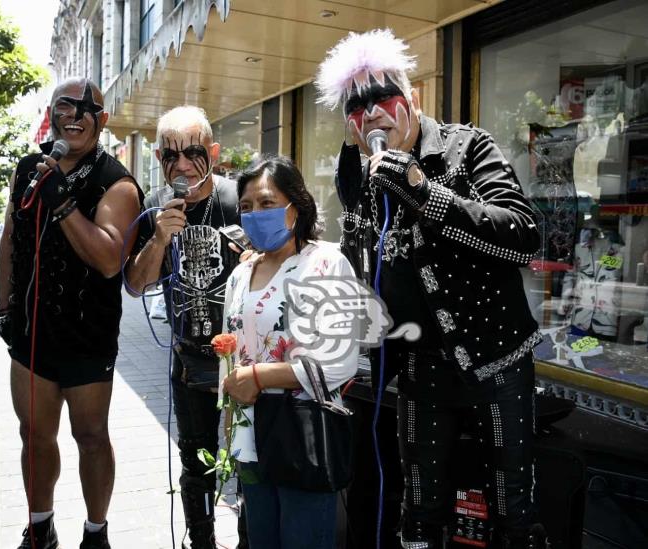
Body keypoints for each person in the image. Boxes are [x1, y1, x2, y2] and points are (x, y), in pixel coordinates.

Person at [315, 29, 547, 549]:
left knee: (513, 510)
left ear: (412, 97)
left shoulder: (468, 146)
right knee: (417, 508)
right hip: (421, 365)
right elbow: (365, 261)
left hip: (497, 358)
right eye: (356, 105)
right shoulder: (354, 171)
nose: (370, 112)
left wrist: (423, 190)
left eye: (382, 96)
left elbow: (524, 236)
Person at [0, 77, 142, 549]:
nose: (76, 115)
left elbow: (107, 260)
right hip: (31, 333)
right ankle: (40, 525)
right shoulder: (28, 169)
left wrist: (62, 201)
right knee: (34, 433)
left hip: (87, 336)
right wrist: (2, 305)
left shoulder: (117, 183)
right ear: (53, 113)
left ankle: (95, 531)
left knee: (91, 436)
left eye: (88, 109)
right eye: (66, 106)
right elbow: (10, 239)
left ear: (102, 120)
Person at [218, 156, 359, 549]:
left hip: (304, 436)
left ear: (296, 206)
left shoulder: (326, 264)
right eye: (246, 207)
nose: (254, 214)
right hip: (250, 438)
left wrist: (261, 377)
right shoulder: (240, 274)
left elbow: (338, 362)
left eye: (266, 203)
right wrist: (227, 424)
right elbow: (232, 351)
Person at [126, 105, 247, 549]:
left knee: (246, 458)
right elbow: (136, 285)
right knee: (195, 460)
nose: (179, 166)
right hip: (188, 358)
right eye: (169, 157)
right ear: (158, 157)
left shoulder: (239, 197)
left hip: (242, 360)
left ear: (213, 152)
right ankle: (201, 540)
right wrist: (159, 238)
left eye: (192, 153)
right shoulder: (156, 206)